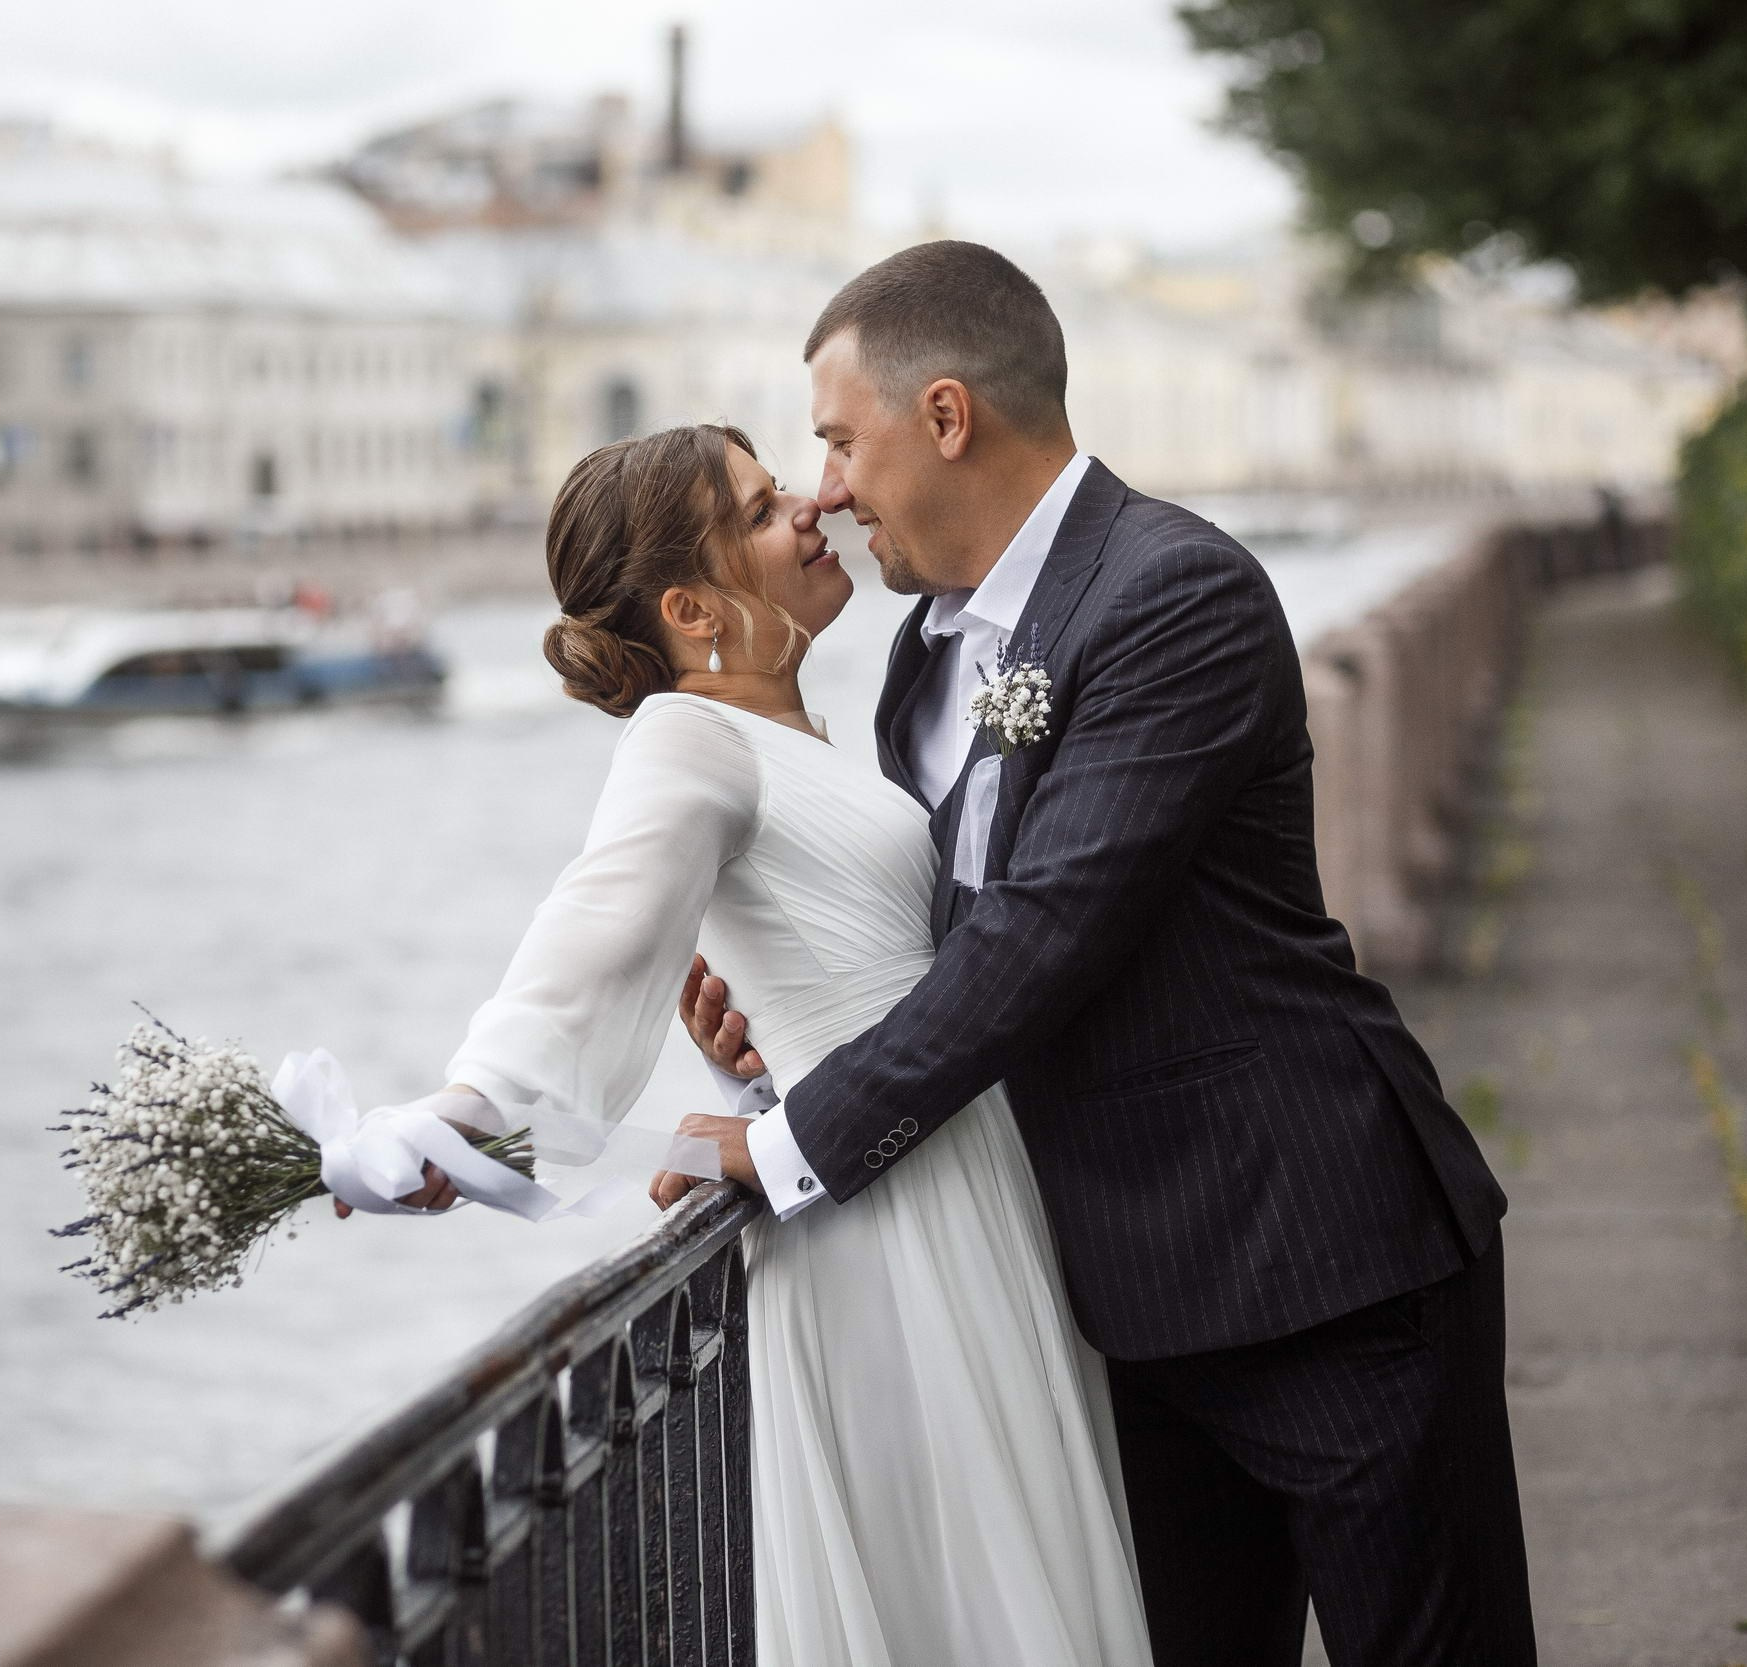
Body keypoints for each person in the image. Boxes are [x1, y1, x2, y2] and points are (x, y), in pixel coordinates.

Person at [667, 241, 1537, 1666]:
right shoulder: (924, 654)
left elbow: (1048, 926)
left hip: (1321, 1262)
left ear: (946, 416)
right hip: (1112, 1294)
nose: (825, 488)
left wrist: (794, 1145)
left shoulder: (1172, 591)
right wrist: (785, 1045)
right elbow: (948, 943)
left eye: (838, 440)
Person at [339, 419, 1154, 1666]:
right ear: (692, 607)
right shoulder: (686, 737)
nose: (810, 508)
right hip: (885, 1220)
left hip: (942, 1163)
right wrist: (466, 1109)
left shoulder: (804, 732)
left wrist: (754, 1069)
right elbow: (592, 926)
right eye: (764, 509)